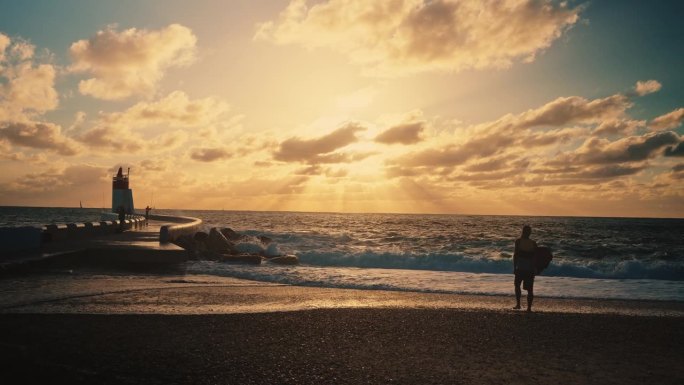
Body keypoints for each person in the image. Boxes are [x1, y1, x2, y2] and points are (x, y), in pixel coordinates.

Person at [513, 225, 537, 311]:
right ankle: (529, 308)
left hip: (520, 267)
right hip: (530, 269)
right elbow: (535, 258)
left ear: (522, 231)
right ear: (530, 233)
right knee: (530, 289)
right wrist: (535, 269)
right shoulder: (533, 243)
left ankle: (518, 305)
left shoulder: (518, 242)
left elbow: (515, 255)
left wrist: (514, 267)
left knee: (517, 285)